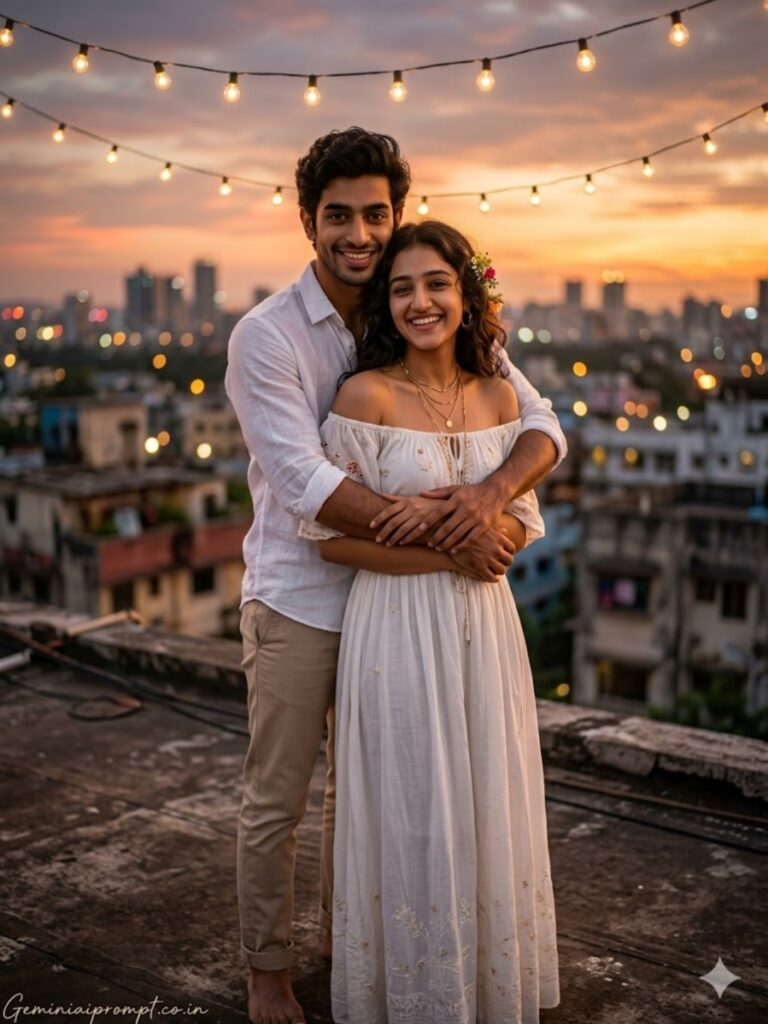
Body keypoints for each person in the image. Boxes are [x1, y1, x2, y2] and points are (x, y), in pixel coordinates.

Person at [225, 127, 567, 1024]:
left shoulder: (416, 299)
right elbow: (305, 484)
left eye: (376, 213)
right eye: (338, 215)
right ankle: (267, 974)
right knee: (281, 795)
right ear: (308, 221)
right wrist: (453, 542)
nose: (359, 233)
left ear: (397, 215)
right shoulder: (266, 337)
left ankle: (360, 947)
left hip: (402, 610)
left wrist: (489, 496)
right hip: (302, 596)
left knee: (374, 787)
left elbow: (539, 423)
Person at [299, 219, 560, 1023]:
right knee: (413, 806)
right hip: (396, 633)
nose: (421, 301)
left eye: (437, 284)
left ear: (466, 293)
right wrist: (453, 552)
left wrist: (492, 532)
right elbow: (331, 537)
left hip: (487, 633)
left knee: (486, 797)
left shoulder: (501, 395)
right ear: (386, 301)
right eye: (403, 287)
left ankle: (483, 986)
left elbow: (523, 521)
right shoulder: (363, 394)